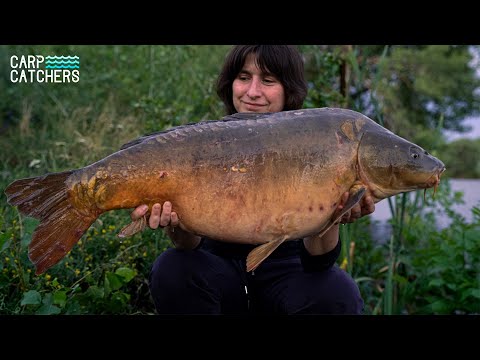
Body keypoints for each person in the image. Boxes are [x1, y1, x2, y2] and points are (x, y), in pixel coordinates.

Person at [131, 45, 375, 314]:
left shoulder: (314, 145)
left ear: (289, 90)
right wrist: (173, 219)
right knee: (174, 267)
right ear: (231, 83)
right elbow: (188, 245)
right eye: (244, 77)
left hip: (287, 276)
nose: (253, 91)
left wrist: (336, 213)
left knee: (337, 290)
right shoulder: (201, 144)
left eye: (268, 80)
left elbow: (318, 262)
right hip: (220, 272)